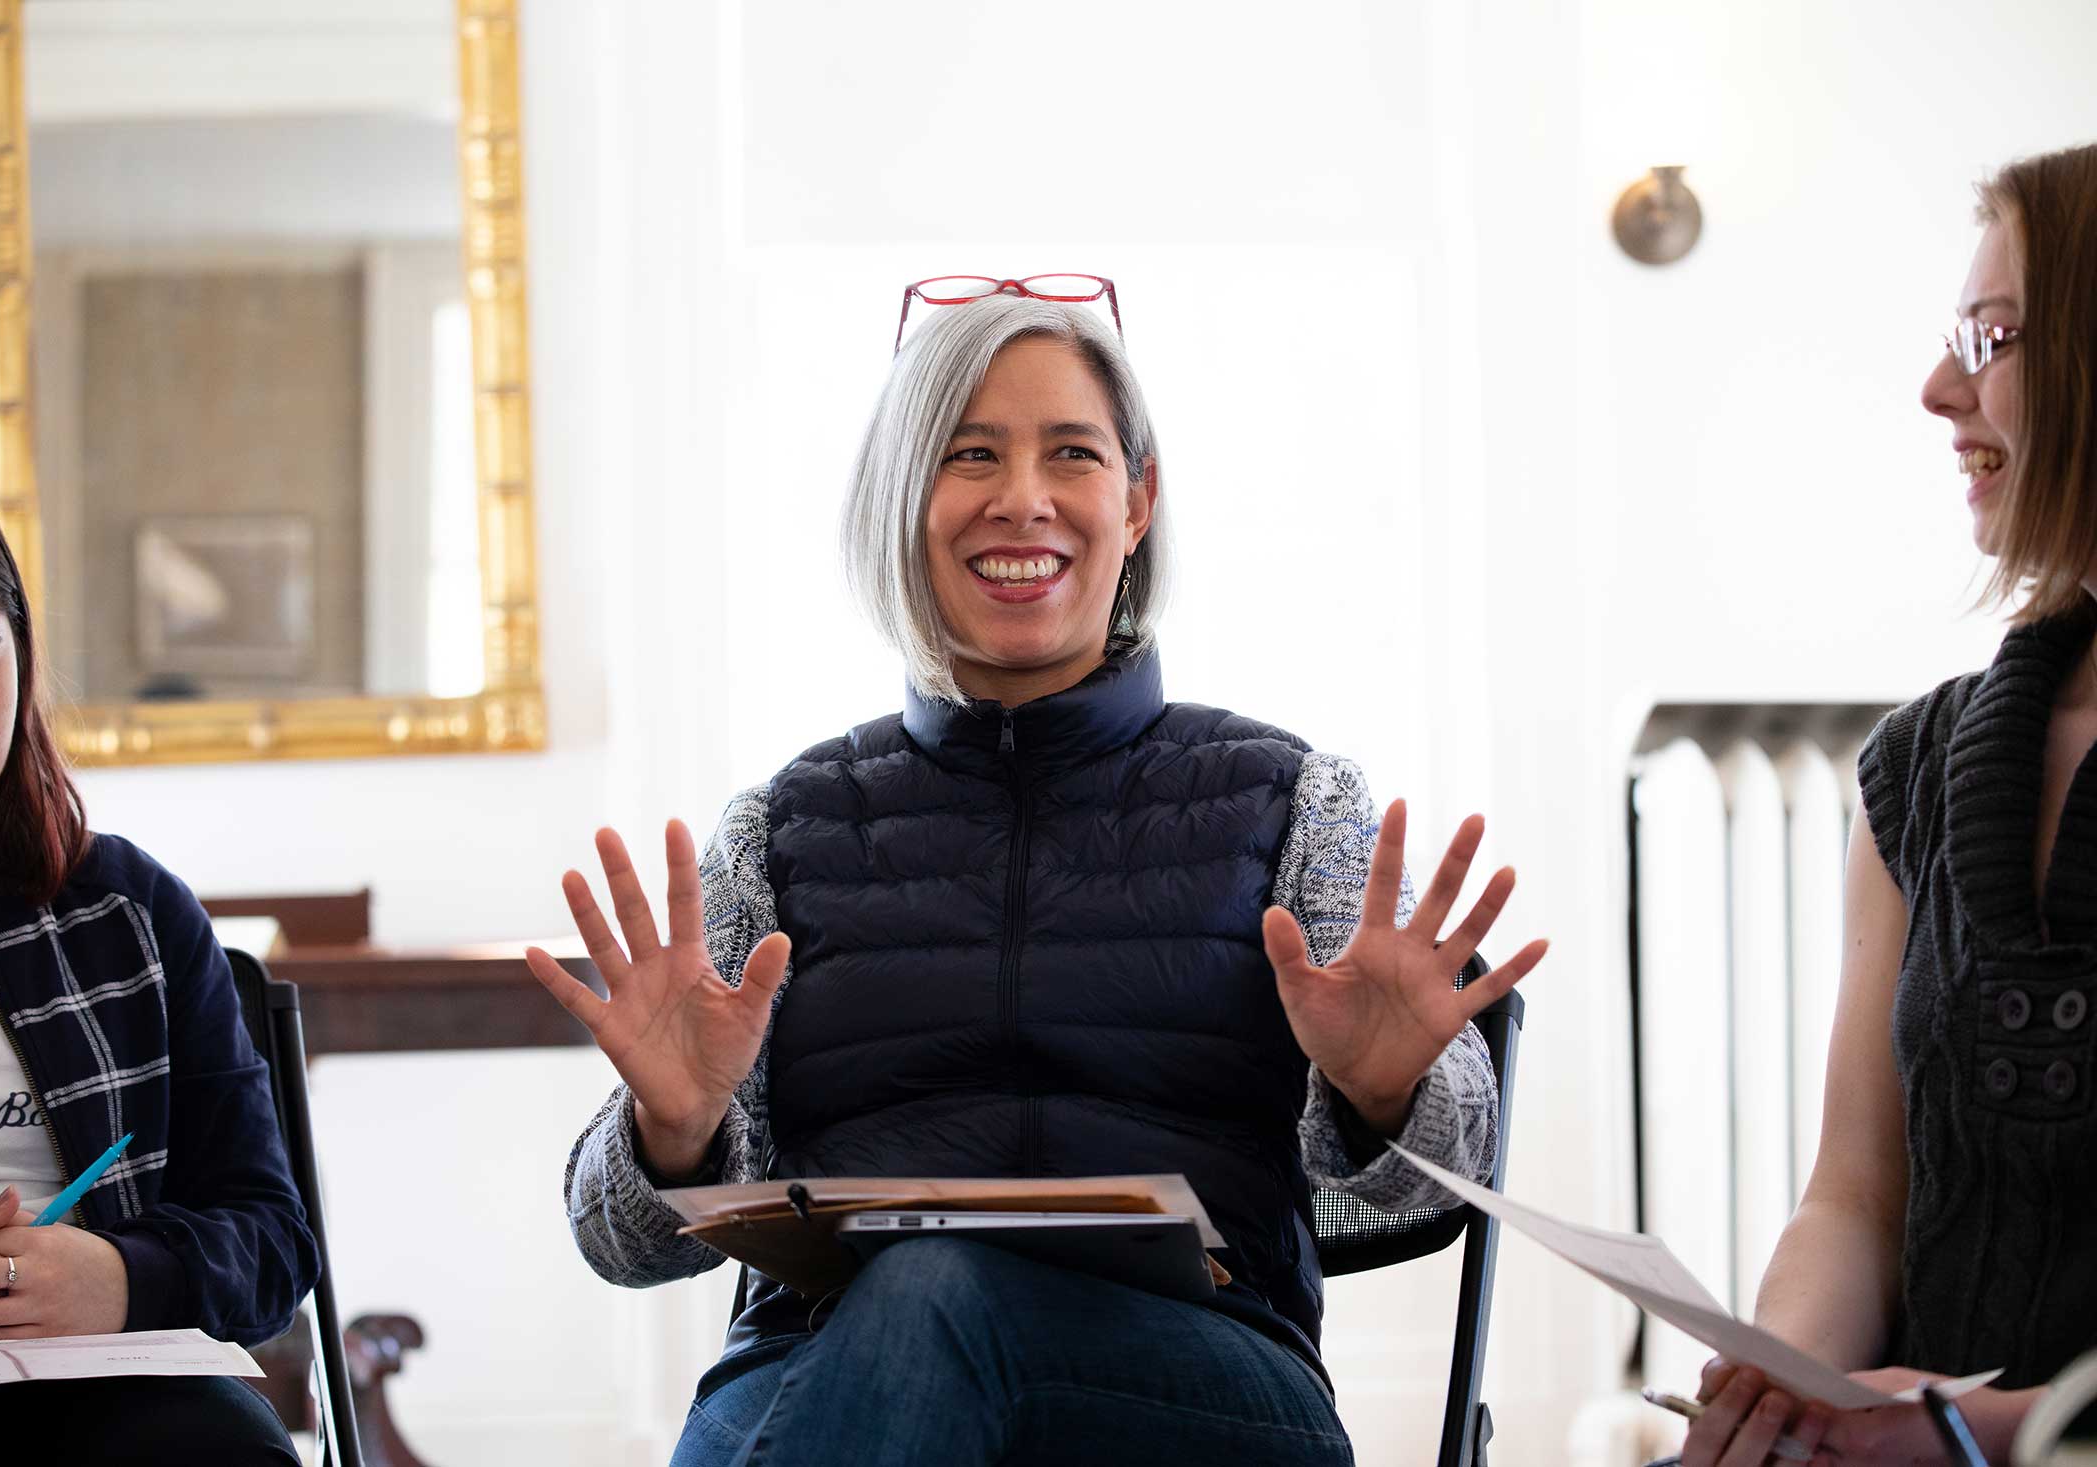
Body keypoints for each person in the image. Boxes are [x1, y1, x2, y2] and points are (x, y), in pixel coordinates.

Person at [526, 281, 1549, 1466]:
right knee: (913, 1309)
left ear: (1137, 502)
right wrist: (671, 1131)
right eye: (970, 455)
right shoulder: (778, 831)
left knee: (931, 1293)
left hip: (1200, 1376)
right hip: (821, 1364)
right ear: (904, 501)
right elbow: (619, 1246)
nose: (1023, 501)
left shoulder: (1293, 802)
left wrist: (1390, 1097)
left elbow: (1436, 1190)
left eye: (1072, 453)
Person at [1680, 142, 2097, 1467]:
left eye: (1993, 335)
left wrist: (1999, 1430)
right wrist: (1786, 1380)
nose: (1938, 387)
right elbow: (1853, 1201)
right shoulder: (1920, 763)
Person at [0, 452, 318, 1465]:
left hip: (109, 1370)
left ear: (21, 658)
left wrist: (121, 1277)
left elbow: (273, 1241)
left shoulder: (122, 912)